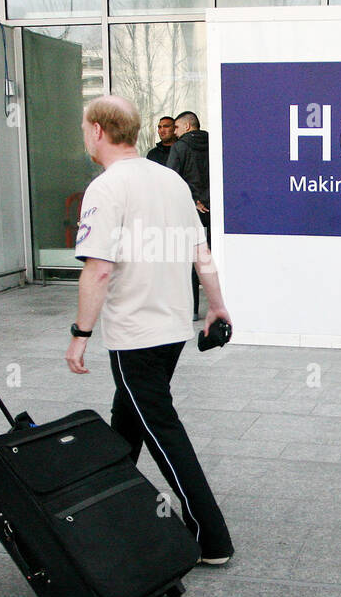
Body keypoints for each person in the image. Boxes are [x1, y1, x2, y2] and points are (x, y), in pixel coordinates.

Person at [66, 95, 234, 566]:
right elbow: (201, 254)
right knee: (129, 424)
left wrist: (80, 333)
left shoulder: (105, 188)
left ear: (98, 130)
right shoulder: (173, 182)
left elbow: (97, 271)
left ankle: (211, 537)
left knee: (161, 429)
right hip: (173, 327)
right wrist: (215, 307)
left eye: (84, 127)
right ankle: (108, 511)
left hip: (135, 333)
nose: (84, 135)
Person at [165, 110, 210, 319]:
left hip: (191, 210)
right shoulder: (215, 142)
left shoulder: (179, 147)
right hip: (215, 208)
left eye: (176, 127)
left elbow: (171, 180)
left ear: (188, 127)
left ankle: (192, 309)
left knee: (191, 259)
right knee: (214, 257)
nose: (174, 131)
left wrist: (194, 200)